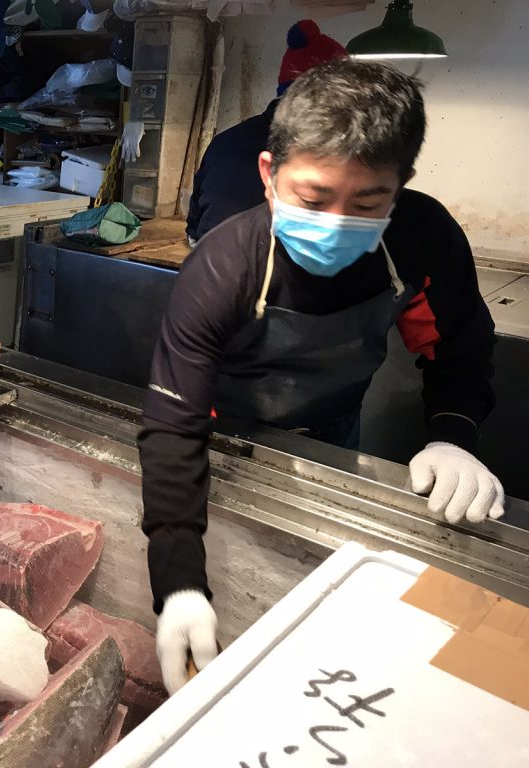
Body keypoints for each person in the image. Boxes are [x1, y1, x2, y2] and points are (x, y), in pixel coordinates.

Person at [142, 59, 504, 694]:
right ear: (269, 174)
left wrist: (453, 434)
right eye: (313, 199)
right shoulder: (225, 266)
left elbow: (460, 345)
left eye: (367, 202)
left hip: (334, 432)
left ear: (401, 187)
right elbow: (174, 426)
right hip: (219, 441)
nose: (337, 222)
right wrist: (178, 583)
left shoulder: (422, 238)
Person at [186, 20, 347, 245]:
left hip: (207, 256)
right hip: (267, 270)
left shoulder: (224, 141)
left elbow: (194, 229)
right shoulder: (330, 150)